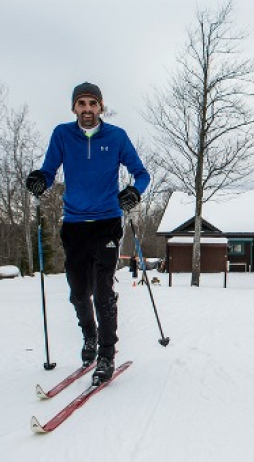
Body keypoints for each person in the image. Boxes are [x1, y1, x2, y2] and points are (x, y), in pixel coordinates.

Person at [25, 82, 150, 385]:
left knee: (103, 289)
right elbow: (49, 171)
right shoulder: (62, 135)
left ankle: (106, 355)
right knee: (79, 290)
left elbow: (142, 174)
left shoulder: (116, 137)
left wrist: (134, 191)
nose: (87, 109)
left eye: (92, 104)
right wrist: (39, 180)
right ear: (74, 109)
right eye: (81, 104)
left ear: (100, 107)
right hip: (74, 224)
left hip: (107, 221)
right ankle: (90, 337)